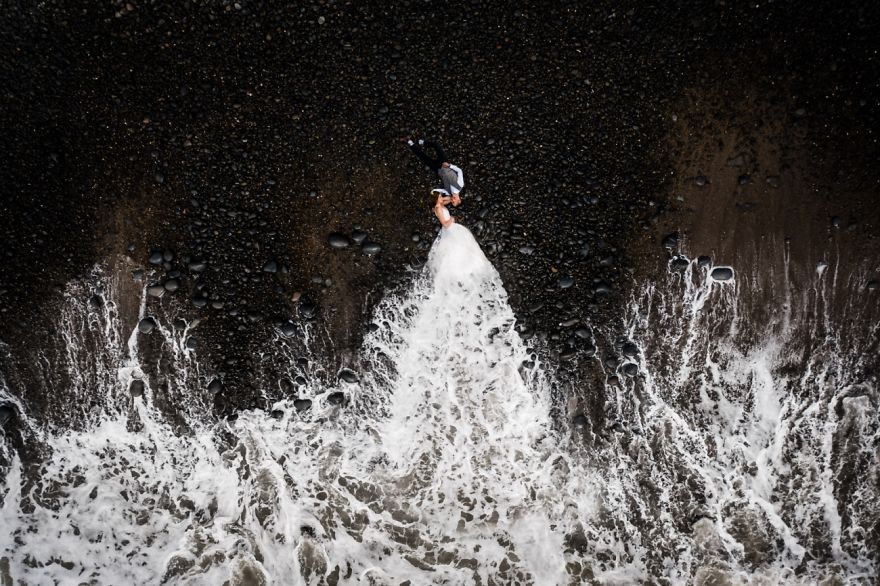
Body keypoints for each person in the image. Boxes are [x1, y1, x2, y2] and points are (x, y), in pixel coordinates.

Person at [406, 138, 464, 206]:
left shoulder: (448, 193)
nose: (452, 201)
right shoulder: (460, 185)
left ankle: (411, 144)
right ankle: (423, 142)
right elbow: (460, 171)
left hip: (438, 170)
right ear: (459, 199)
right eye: (454, 201)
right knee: (437, 146)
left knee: (424, 158)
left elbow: (440, 190)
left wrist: (433, 191)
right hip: (445, 164)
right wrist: (450, 165)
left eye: (452, 203)